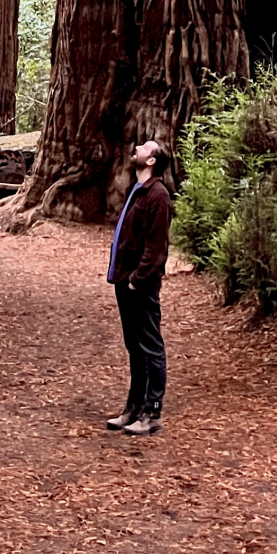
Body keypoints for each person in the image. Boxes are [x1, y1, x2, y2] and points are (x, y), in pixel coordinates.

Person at [106, 137, 171, 436]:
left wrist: (137, 279)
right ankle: (133, 406)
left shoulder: (158, 195)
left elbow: (156, 247)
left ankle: (151, 411)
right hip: (124, 280)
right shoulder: (138, 190)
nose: (137, 149)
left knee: (150, 346)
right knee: (134, 346)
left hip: (140, 284)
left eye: (145, 147)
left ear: (152, 161)